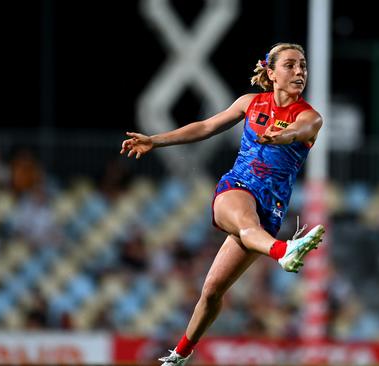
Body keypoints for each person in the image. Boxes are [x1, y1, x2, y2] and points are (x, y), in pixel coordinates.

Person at [120, 43, 325, 366]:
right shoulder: (249, 102)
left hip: (269, 208)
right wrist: (155, 140)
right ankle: (283, 251)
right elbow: (205, 127)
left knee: (213, 290)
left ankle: (180, 355)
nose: (300, 71)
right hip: (236, 188)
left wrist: (281, 136)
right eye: (290, 65)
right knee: (246, 225)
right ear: (271, 73)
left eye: (303, 65)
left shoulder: (310, 116)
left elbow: (301, 130)